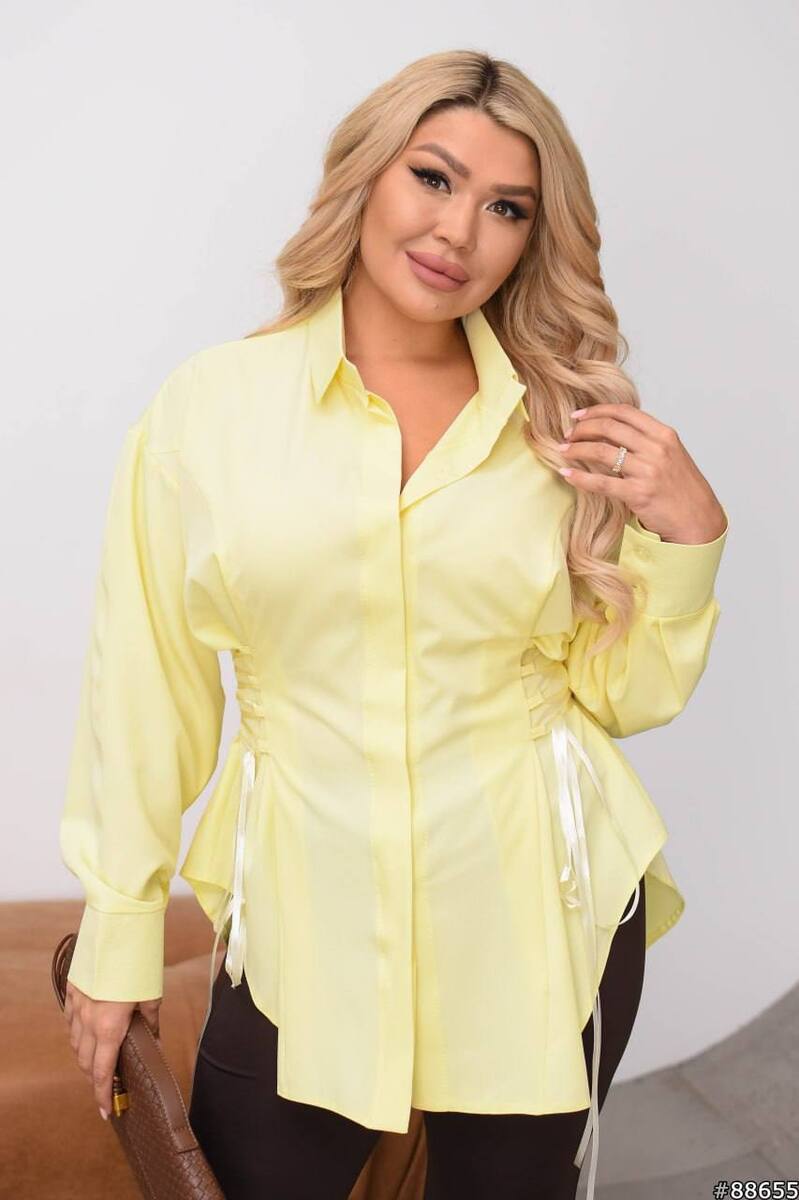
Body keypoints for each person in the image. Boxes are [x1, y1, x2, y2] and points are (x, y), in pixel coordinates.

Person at [60, 48, 729, 1200]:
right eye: (433, 177)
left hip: (542, 907)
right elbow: (145, 687)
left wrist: (689, 533)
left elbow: (620, 696)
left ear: (532, 236)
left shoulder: (561, 424)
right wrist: (118, 934)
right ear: (365, 175)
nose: (458, 230)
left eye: (506, 207)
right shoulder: (211, 411)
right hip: (302, 919)